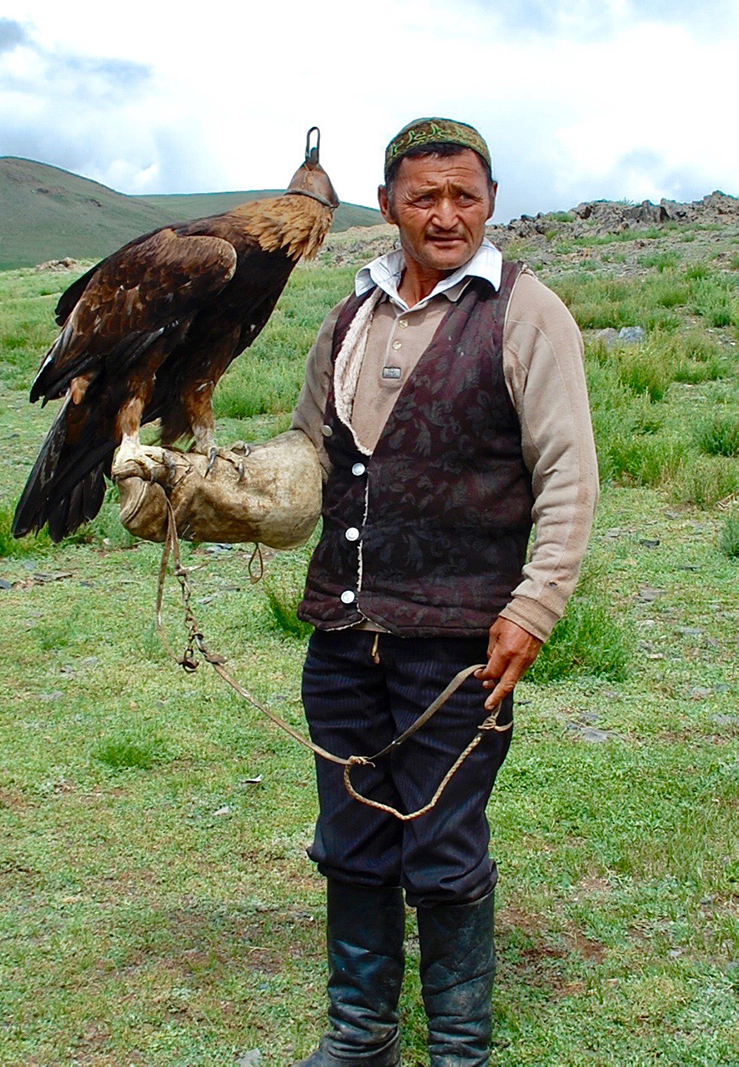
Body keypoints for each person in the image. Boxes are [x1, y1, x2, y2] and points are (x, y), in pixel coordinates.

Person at [288, 117, 599, 1066]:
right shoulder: (349, 317)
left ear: (491, 201)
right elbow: (306, 457)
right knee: (349, 837)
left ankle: (459, 1049)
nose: (446, 214)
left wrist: (533, 607)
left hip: (461, 638)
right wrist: (209, 491)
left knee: (444, 843)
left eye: (464, 195)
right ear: (387, 206)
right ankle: (361, 1037)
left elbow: (569, 476)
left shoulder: (524, 313)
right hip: (345, 631)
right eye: (423, 196)